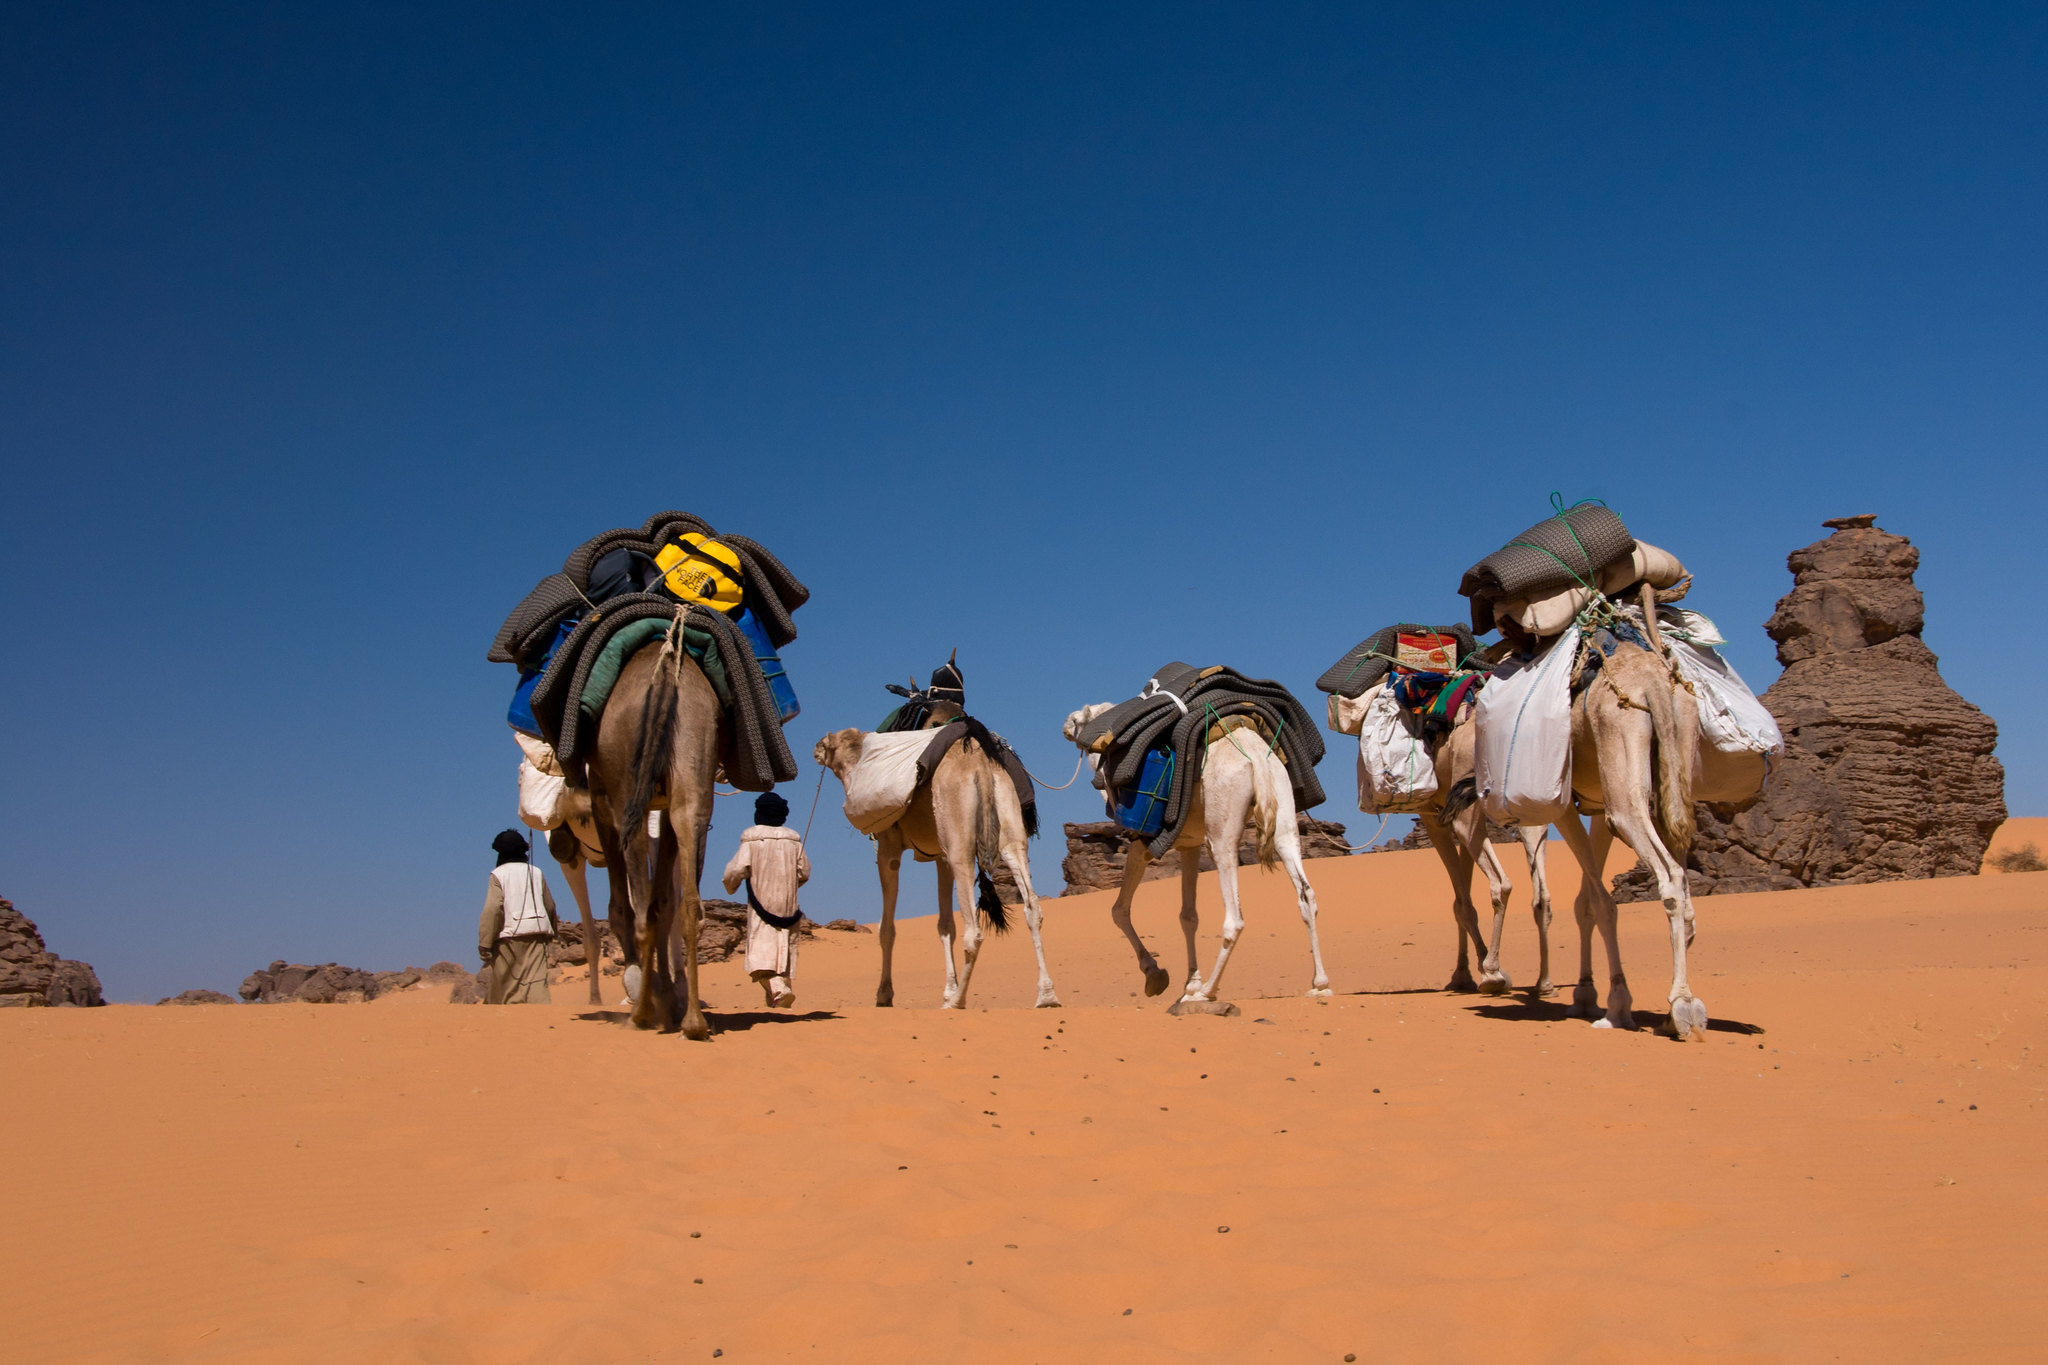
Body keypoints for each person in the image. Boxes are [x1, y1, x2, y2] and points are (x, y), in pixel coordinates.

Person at [720, 791, 810, 1008]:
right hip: (788, 906)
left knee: (761, 960)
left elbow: (736, 870)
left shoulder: (751, 839)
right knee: (782, 955)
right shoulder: (794, 841)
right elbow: (804, 871)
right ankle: (780, 1004)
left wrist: (730, 885)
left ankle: (779, 990)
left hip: (762, 905)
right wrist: (789, 885)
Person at [479, 829, 559, 1004]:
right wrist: (553, 932)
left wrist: (485, 943)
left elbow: (493, 910)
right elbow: (550, 906)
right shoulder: (536, 872)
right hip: (537, 937)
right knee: (536, 989)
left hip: (508, 941)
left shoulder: (498, 875)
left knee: (507, 992)